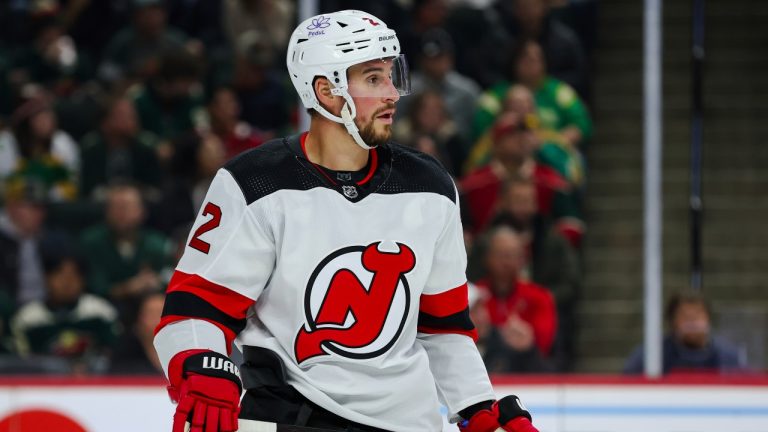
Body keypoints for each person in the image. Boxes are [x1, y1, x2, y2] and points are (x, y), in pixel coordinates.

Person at [154, 10, 538, 432]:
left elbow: (444, 327)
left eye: (392, 76)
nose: (393, 94)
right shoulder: (254, 182)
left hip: (410, 423)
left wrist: (476, 407)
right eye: (374, 79)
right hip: (290, 418)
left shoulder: (431, 186)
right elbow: (193, 310)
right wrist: (201, 364)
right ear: (326, 91)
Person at [623, 290, 747, 375]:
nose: (692, 322)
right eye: (685, 316)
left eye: (698, 315)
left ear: (708, 318)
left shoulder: (728, 356)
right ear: (672, 321)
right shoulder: (652, 355)